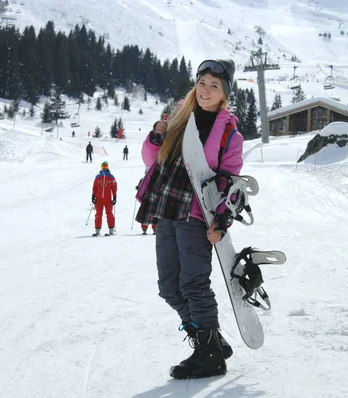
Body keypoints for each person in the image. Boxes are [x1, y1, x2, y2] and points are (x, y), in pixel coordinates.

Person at [135, 59, 241, 379]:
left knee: (194, 284)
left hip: (196, 214)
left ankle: (208, 355)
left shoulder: (228, 131)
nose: (206, 90)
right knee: (169, 287)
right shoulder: (181, 115)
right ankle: (210, 339)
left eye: (214, 86)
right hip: (167, 207)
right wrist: (157, 136)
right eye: (202, 83)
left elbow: (229, 179)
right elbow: (153, 159)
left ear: (224, 94)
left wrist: (222, 220)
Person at [91, 161, 117, 236]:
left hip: (108, 199)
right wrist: (93, 196)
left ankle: (111, 229)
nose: (104, 168)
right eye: (103, 166)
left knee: (109, 214)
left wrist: (115, 197)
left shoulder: (111, 177)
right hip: (99, 199)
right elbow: (94, 187)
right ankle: (97, 230)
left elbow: (114, 188)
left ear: (107, 167)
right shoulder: (98, 177)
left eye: (105, 166)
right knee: (98, 214)